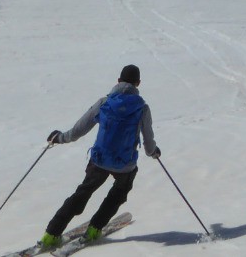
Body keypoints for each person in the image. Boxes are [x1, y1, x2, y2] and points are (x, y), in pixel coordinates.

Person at [37, 65, 159, 249]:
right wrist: (153, 152)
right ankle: (95, 229)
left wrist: (60, 138)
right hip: (125, 165)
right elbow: (148, 139)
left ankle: (51, 235)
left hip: (99, 160)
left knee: (82, 193)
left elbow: (79, 130)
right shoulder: (142, 108)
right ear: (138, 83)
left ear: (118, 81)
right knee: (118, 194)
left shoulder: (104, 102)